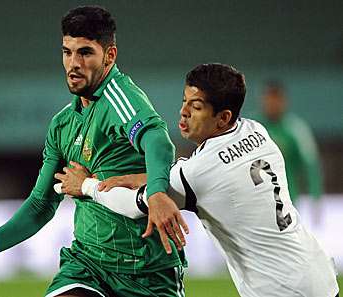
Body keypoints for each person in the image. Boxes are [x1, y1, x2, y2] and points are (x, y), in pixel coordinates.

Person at [0, 6, 188, 297]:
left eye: (85, 53)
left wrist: (157, 192)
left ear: (109, 56)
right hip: (87, 264)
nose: (73, 63)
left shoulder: (120, 98)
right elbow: (42, 203)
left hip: (146, 270)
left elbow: (158, 140)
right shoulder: (62, 124)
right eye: (67, 52)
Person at [56, 64, 339, 297]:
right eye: (184, 102)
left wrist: (86, 186)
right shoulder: (256, 130)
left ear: (223, 117)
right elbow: (193, 172)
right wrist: (138, 176)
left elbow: (137, 205)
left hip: (281, 290)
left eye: (197, 106)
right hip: (318, 274)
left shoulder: (201, 172)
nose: (184, 112)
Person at [257, 81, 323, 221]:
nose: (272, 104)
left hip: (286, 204)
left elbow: (311, 165)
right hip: (254, 204)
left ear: (284, 101)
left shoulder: (296, 129)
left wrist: (316, 198)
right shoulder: (253, 127)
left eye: (276, 99)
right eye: (268, 99)